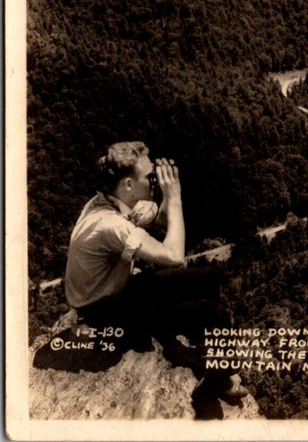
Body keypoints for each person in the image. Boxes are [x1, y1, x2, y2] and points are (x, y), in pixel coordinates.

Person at [64, 141, 247, 419]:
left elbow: (161, 224)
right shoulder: (111, 225)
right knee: (215, 312)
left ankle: (203, 352)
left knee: (209, 278)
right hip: (104, 312)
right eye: (149, 176)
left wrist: (156, 203)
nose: (155, 180)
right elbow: (175, 256)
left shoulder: (102, 203)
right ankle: (214, 383)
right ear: (127, 185)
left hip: (115, 293)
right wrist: (174, 198)